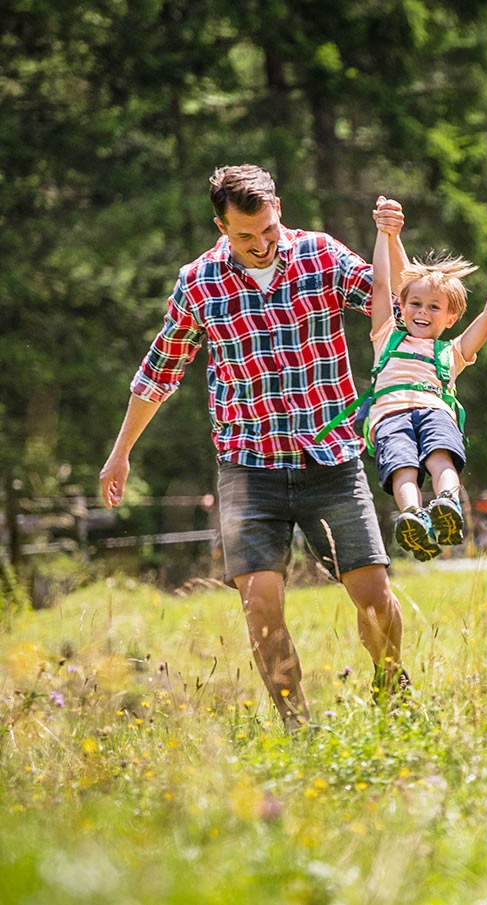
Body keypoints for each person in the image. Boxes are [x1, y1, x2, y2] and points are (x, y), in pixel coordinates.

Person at [99, 164, 412, 731]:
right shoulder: (199, 282)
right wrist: (121, 451)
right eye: (246, 236)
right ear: (221, 226)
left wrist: (392, 239)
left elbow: (398, 306)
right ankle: (299, 729)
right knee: (261, 605)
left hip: (331, 460)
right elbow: (159, 372)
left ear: (278, 210)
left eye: (268, 229)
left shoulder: (321, 255)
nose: (262, 244)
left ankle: (394, 687)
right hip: (248, 468)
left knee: (373, 595)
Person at [365, 199, 487, 561]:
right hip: (389, 415)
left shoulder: (452, 352)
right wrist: (386, 234)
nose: (422, 312)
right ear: (403, 306)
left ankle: (447, 503)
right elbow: (384, 283)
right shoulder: (386, 336)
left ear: (450, 317)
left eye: (433, 307)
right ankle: (412, 515)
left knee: (440, 457)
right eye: (415, 304)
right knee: (402, 467)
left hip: (433, 408)